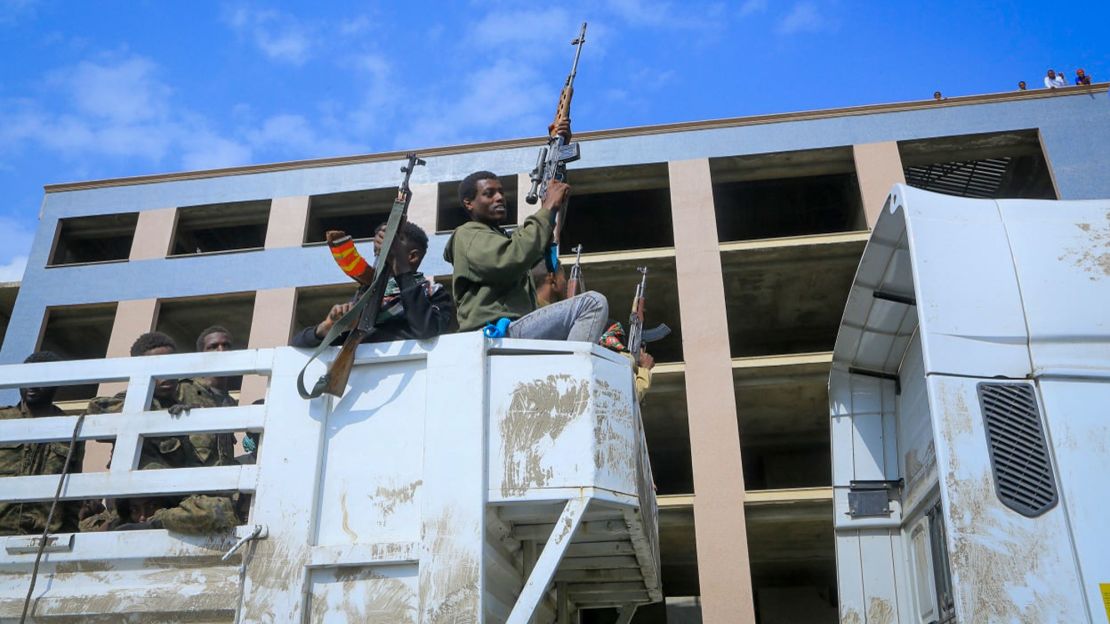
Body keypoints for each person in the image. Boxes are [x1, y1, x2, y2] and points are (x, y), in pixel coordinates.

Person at [443, 136, 609, 343]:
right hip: (496, 332)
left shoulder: (502, 239)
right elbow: (512, 257)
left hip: (515, 329)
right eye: (489, 194)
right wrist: (547, 208)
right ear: (469, 203)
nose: (499, 198)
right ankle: (571, 372)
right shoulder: (466, 235)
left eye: (501, 193)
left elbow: (539, 241)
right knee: (592, 303)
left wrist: (561, 142)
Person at [292, 221, 455, 348]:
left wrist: (401, 267)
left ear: (412, 257)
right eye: (379, 251)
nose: (382, 253)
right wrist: (327, 327)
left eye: (394, 243)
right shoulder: (366, 297)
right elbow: (298, 344)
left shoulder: (433, 293)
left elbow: (426, 329)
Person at [86, 332, 234, 469]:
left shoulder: (186, 400)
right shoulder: (134, 400)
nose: (166, 374)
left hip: (184, 488)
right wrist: (161, 415)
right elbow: (97, 407)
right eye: (158, 367)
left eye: (171, 366)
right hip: (143, 491)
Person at [0, 352, 84, 535]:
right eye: (27, 378)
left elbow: (73, 491)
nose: (32, 386)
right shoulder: (3, 420)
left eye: (41, 379)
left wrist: (67, 535)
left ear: (56, 383)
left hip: (44, 537)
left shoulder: (70, 428)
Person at [195, 325, 238, 405]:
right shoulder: (188, 390)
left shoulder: (232, 403)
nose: (221, 351)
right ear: (201, 356)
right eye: (213, 347)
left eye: (226, 345)